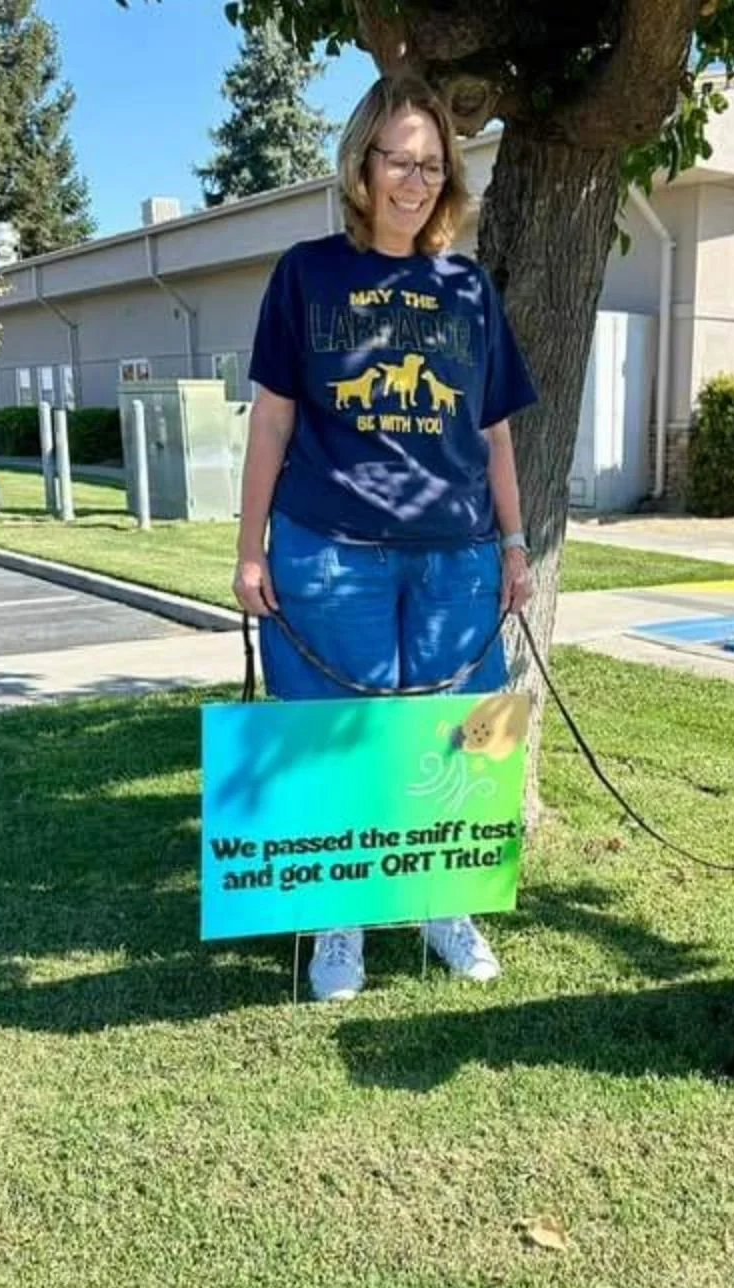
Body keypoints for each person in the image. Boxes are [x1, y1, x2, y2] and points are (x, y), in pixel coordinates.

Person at [232, 75, 537, 1003]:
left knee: (466, 731)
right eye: (399, 159)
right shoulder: (306, 272)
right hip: (328, 546)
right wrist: (250, 551)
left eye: (432, 164)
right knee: (336, 735)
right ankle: (341, 923)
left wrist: (516, 545)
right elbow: (272, 422)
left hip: (458, 554)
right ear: (362, 164)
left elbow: (493, 431)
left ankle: (450, 904)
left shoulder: (468, 286)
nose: (415, 179)